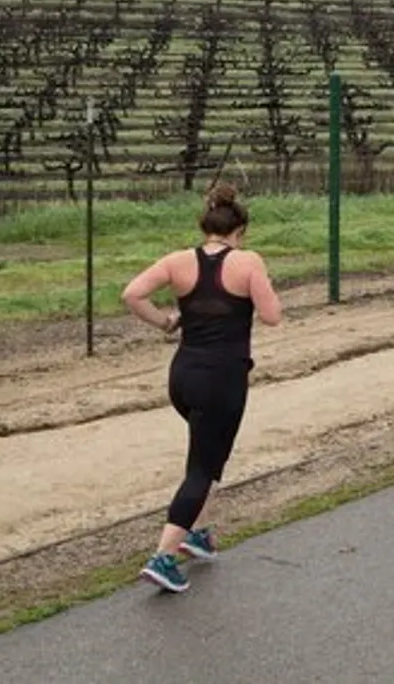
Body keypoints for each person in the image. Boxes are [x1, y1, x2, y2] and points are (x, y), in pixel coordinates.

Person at [121, 184, 283, 593]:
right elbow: (272, 316)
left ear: (204, 225)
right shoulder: (247, 262)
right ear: (240, 229)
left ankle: (199, 533)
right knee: (201, 468)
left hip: (184, 374)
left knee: (209, 454)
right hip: (223, 378)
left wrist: (165, 322)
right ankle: (163, 556)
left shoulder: (177, 261)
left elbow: (133, 293)